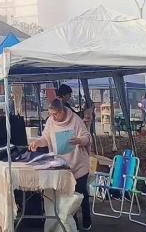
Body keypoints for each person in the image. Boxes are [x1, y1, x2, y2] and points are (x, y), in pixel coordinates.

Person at [29, 98, 92, 231]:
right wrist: (37, 142)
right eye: (51, 114)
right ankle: (71, 224)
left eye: (56, 114)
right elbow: (45, 137)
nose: (53, 117)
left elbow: (87, 137)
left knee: (81, 194)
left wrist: (79, 140)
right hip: (62, 166)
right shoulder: (50, 121)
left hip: (78, 164)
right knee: (67, 196)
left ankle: (87, 220)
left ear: (62, 111)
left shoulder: (75, 120)